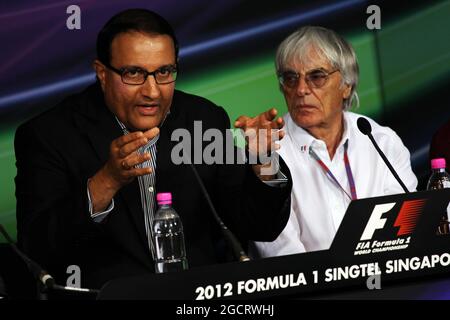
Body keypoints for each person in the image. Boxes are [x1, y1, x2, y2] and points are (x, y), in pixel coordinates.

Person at [14, 9, 292, 289]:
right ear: (102, 73)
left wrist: (264, 160)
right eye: (133, 73)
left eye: (163, 72)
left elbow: (260, 226)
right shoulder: (49, 134)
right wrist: (107, 181)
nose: (153, 91)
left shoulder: (202, 120)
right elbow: (37, 248)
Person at [251, 26, 417, 258]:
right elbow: (282, 255)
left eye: (316, 77)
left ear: (346, 85)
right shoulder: (267, 154)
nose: (300, 90)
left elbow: (403, 229)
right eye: (290, 78)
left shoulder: (381, 141)